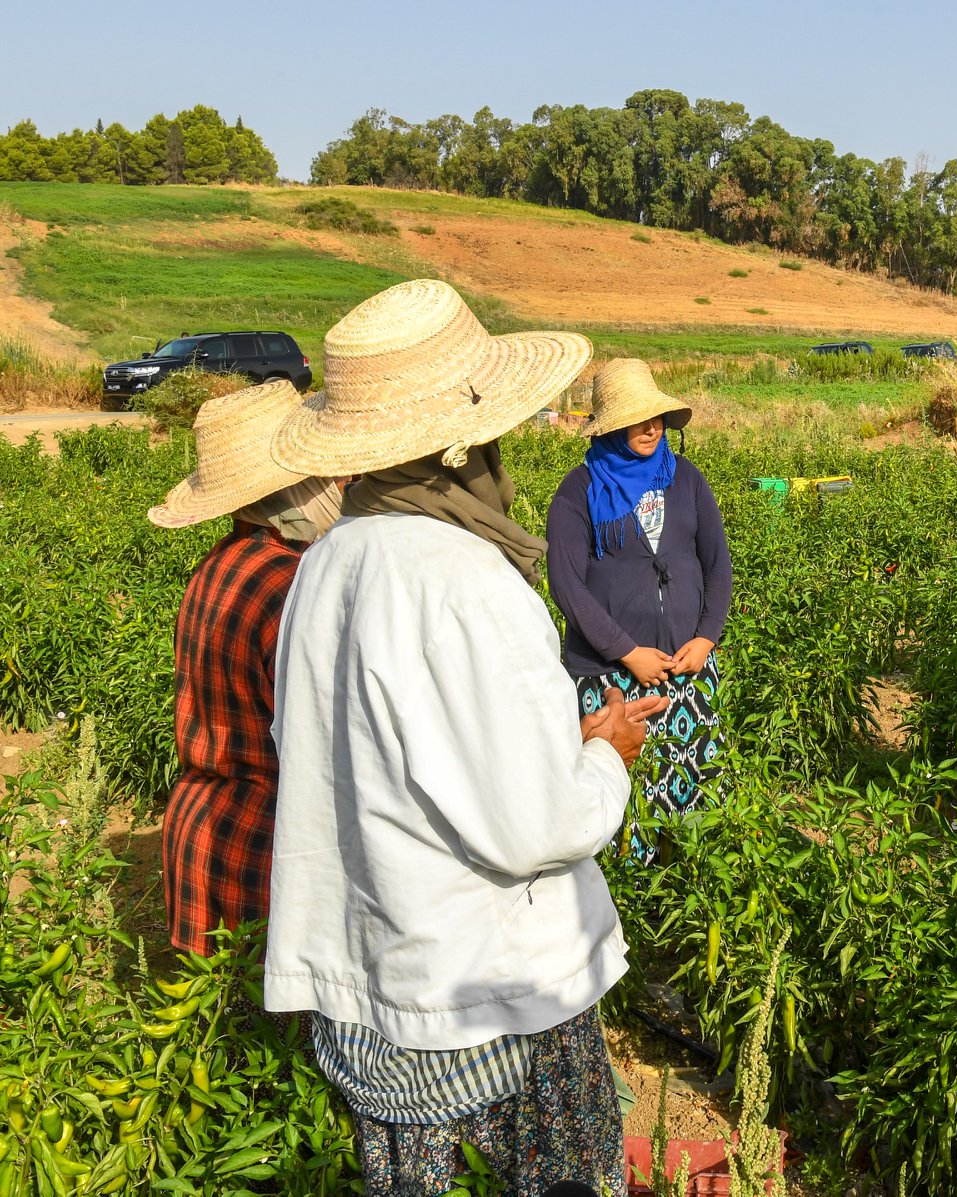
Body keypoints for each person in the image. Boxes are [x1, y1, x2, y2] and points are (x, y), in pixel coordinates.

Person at [263, 279, 662, 1197]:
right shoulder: (467, 579)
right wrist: (604, 754)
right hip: (482, 996)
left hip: (375, 977)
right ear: (461, 445)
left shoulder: (326, 564)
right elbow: (537, 820)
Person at [150, 380, 342, 955]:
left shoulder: (224, 561)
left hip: (202, 832)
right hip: (262, 851)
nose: (343, 483)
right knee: (268, 1041)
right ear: (293, 489)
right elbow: (329, 749)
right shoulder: (293, 586)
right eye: (328, 473)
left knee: (218, 1037)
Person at [546, 359, 731, 866]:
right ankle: (629, 906)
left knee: (691, 785)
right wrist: (627, 652)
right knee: (622, 795)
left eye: (656, 417)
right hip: (612, 675)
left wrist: (707, 637)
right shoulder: (578, 491)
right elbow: (566, 584)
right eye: (637, 418)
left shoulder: (685, 479)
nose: (651, 428)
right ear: (610, 426)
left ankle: (685, 882)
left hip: (687, 669)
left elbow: (717, 565)